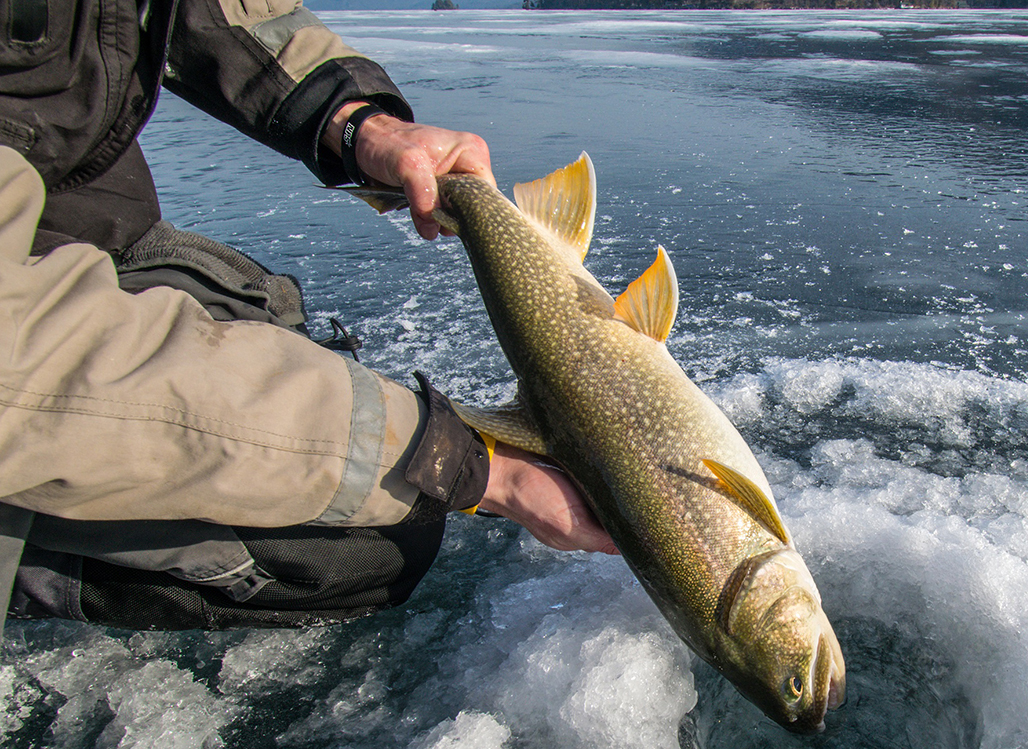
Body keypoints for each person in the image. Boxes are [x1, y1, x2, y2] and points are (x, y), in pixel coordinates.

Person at [0, 0, 614, 640]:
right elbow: (27, 374)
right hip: (21, 347)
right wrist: (476, 469)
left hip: (77, 227)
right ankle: (23, 543)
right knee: (360, 541)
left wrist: (357, 124)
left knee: (265, 334)